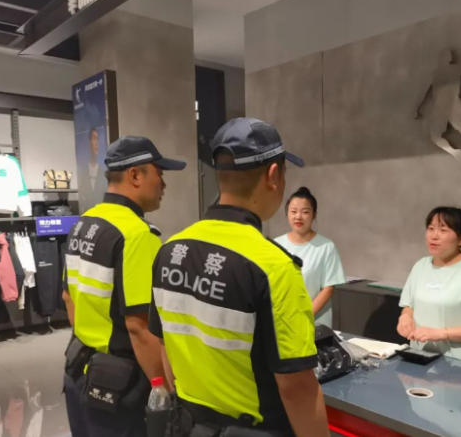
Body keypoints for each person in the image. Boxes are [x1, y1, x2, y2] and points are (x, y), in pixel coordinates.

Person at [149, 118, 330, 437]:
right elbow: (297, 387)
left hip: (187, 426)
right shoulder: (273, 267)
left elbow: (166, 348)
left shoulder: (170, 249)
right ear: (273, 175)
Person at [62, 135, 187, 437]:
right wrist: (167, 392)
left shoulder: (84, 223)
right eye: (159, 173)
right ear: (135, 175)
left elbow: (68, 297)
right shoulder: (137, 235)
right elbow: (139, 327)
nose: (163, 184)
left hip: (78, 372)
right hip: (120, 390)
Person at [397, 207, 461, 364]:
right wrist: (405, 317)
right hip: (420, 358)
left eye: (443, 230)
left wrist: (442, 333)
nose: (434, 236)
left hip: (460, 365)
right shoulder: (421, 266)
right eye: (431, 228)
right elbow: (409, 305)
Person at [275, 187, 346, 328]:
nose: (298, 217)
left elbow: (328, 289)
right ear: (287, 214)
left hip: (314, 324)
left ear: (314, 214)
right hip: (282, 323)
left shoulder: (326, 246)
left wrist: (303, 317)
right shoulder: (276, 245)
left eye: (305, 212)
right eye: (293, 211)